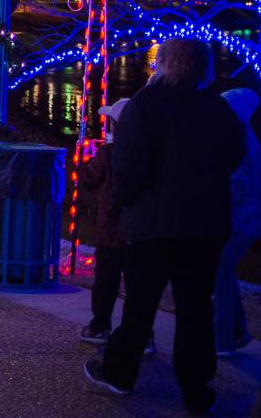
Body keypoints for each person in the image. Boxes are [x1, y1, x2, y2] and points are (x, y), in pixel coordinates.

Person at [86, 39, 245, 415]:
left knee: (140, 304)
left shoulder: (146, 105)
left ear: (164, 64)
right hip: (205, 225)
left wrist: (125, 202)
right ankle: (196, 388)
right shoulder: (218, 109)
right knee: (195, 307)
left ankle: (119, 373)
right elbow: (234, 157)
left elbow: (127, 167)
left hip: (151, 225)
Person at [76, 98, 156, 354]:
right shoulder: (151, 154)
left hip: (111, 229)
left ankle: (100, 325)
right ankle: (143, 335)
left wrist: (83, 161)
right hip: (140, 230)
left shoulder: (109, 153)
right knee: (139, 285)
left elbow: (88, 179)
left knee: (106, 282)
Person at [214, 88, 261, 357]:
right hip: (246, 220)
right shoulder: (246, 138)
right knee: (224, 272)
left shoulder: (240, 142)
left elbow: (237, 185)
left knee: (220, 271)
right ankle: (238, 331)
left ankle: (224, 339)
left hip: (239, 221)